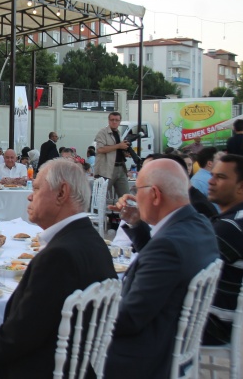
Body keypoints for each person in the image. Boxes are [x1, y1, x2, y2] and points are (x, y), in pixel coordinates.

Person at [0, 159, 117, 378]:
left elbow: (17, 336)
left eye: (37, 188)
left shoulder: (59, 255)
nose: (30, 196)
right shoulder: (93, 241)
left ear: (62, 193)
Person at [104, 158, 219, 379]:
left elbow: (129, 318)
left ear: (155, 195)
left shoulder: (168, 247)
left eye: (138, 191)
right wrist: (138, 225)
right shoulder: (199, 224)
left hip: (144, 356)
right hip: (174, 340)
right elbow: (161, 266)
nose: (135, 197)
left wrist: (83, 313)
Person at [203, 154, 243, 345]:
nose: (210, 181)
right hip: (229, 321)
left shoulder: (230, 227)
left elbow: (182, 265)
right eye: (212, 175)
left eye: (220, 177)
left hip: (214, 325)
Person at [95, 112, 130, 198]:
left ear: (119, 121)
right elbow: (100, 149)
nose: (114, 122)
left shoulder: (118, 133)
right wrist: (119, 146)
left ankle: (126, 211)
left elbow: (115, 150)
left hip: (121, 168)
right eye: (112, 120)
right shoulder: (102, 132)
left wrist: (124, 153)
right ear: (108, 120)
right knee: (100, 197)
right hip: (107, 169)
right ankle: (95, 212)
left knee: (126, 197)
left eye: (117, 120)